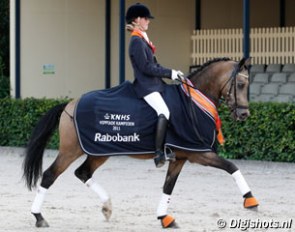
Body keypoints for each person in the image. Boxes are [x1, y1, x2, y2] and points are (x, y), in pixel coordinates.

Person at [125, 3, 184, 168]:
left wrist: (172, 73)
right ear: (137, 20)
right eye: (145, 19)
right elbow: (146, 68)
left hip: (155, 84)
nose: (148, 22)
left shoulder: (143, 40)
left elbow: (155, 65)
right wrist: (169, 73)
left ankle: (171, 145)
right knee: (163, 111)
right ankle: (159, 153)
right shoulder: (136, 41)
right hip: (146, 86)